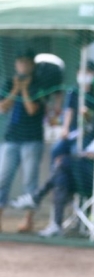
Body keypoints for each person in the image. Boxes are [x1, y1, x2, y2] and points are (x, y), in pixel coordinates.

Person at [10, 107, 94, 237]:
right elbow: (84, 154)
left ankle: (37, 198)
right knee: (61, 176)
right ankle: (55, 224)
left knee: (64, 163)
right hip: (89, 179)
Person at [0, 49, 48, 233]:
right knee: (3, 178)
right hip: (11, 138)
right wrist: (15, 89)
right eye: (20, 62)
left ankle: (28, 220)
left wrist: (25, 89)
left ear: (32, 65)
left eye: (26, 62)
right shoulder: (9, 82)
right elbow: (3, 108)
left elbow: (32, 109)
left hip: (32, 139)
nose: (23, 66)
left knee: (30, 181)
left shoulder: (40, 84)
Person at [50, 60, 94, 164]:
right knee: (56, 150)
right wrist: (65, 128)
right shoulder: (73, 90)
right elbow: (69, 110)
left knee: (75, 152)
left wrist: (88, 115)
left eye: (87, 71)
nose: (84, 74)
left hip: (88, 134)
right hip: (73, 131)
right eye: (81, 71)